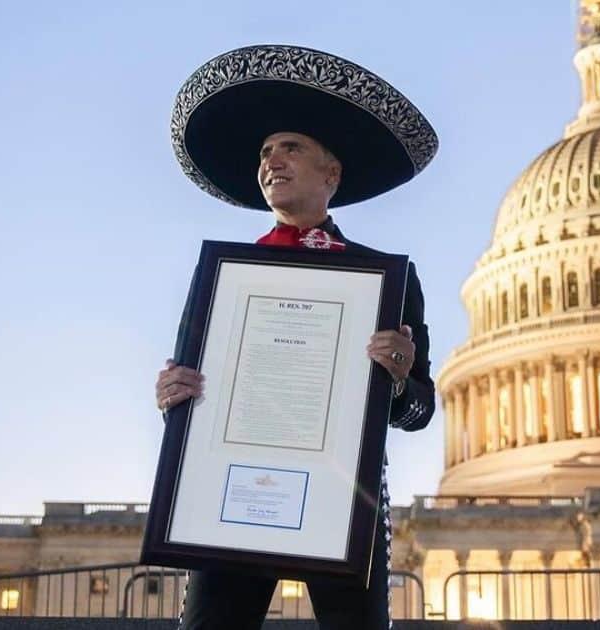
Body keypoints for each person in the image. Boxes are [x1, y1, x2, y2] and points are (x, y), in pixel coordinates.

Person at [153, 45, 439, 629]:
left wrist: (401, 377)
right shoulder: (222, 279)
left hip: (345, 498)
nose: (272, 161)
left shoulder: (389, 280)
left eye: (291, 148)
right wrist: (173, 396)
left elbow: (417, 412)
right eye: (264, 151)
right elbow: (194, 402)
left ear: (331, 173)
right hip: (230, 495)